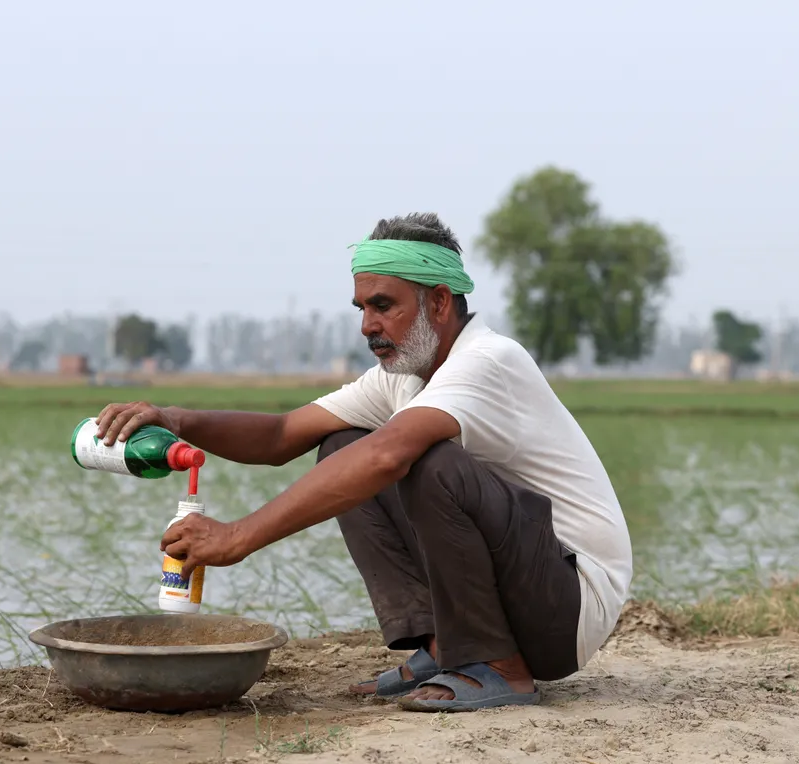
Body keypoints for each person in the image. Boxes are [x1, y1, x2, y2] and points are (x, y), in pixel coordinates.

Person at [93, 212, 633, 711]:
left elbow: (387, 454)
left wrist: (237, 537)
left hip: (569, 606)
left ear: (439, 303)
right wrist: (176, 419)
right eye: (362, 309)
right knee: (341, 444)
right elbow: (282, 435)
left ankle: (499, 668)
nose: (367, 326)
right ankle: (444, 647)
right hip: (530, 590)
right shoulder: (404, 377)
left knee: (420, 459)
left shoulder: (487, 361)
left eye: (383, 306)